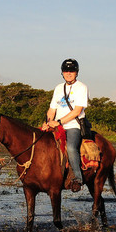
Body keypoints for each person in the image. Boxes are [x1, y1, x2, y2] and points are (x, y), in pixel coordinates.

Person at [41, 58, 88, 191]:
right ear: (62, 73)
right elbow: (52, 109)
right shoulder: (58, 88)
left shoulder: (81, 87)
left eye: (71, 71)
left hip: (73, 125)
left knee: (71, 148)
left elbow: (77, 111)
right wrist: (47, 122)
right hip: (56, 126)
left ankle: (78, 179)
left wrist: (59, 122)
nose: (69, 73)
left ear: (76, 72)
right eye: (66, 71)